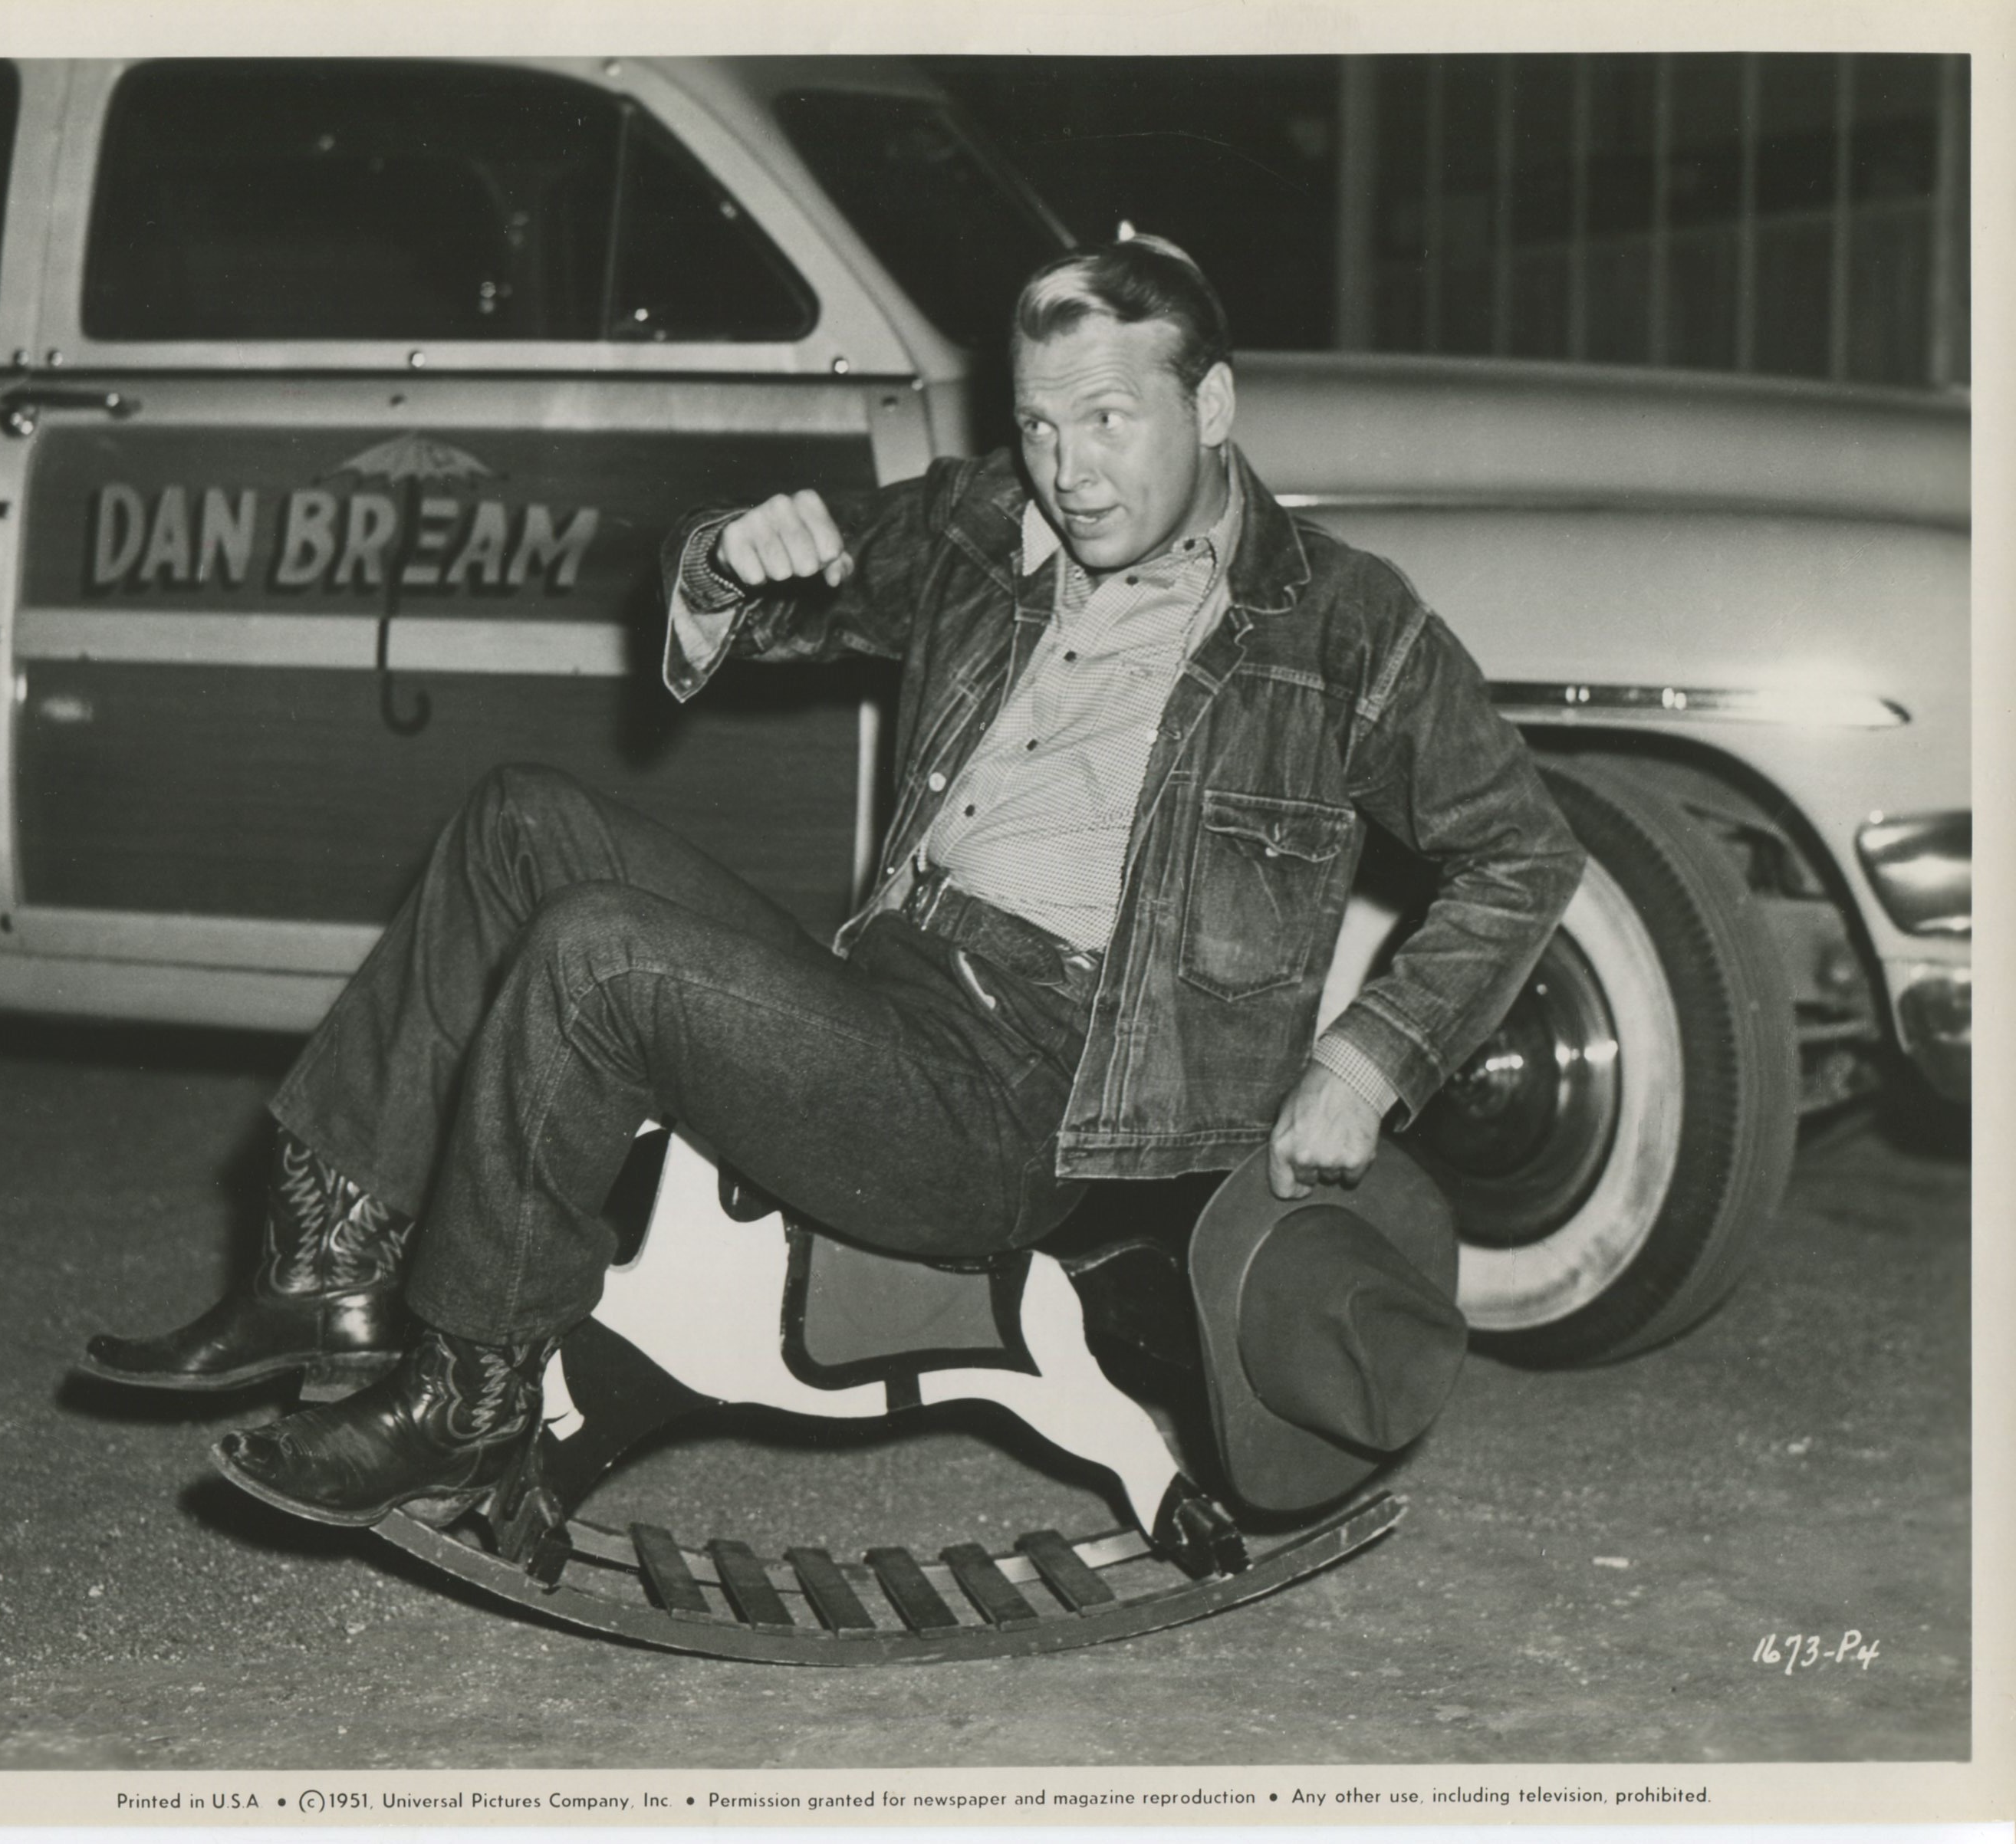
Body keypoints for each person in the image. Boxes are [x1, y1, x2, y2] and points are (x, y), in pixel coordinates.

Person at [81, 237, 1584, 1550]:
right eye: (1042, 423)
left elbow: (1522, 848)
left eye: (1110, 421)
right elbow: (754, 588)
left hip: (1039, 1102)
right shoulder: (989, 528)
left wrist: (1369, 1062)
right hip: (892, 990)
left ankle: (470, 1386)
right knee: (520, 823)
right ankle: (324, 1271)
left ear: (1213, 406)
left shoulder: (1340, 626)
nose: (1070, 467)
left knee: (596, 958)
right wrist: (727, 563)